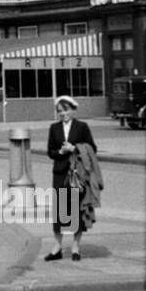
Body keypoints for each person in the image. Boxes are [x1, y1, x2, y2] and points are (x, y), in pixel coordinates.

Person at [45, 96, 98, 261]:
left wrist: (75, 148)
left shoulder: (82, 127)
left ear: (73, 110)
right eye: (59, 111)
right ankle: (57, 247)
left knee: (76, 209)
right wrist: (60, 152)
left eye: (66, 110)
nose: (63, 114)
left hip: (77, 174)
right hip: (60, 173)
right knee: (60, 210)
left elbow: (92, 149)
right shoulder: (54, 128)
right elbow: (50, 151)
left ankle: (76, 247)